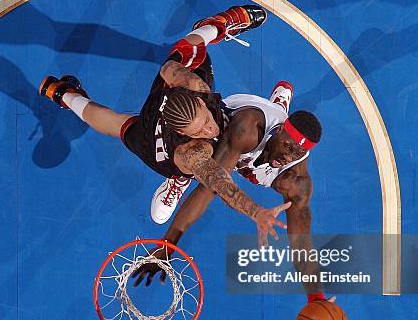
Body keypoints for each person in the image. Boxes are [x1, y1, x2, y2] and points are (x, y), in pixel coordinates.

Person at [39, 5, 291, 242]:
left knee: (188, 49)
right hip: (158, 148)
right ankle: (64, 94)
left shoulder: (193, 86)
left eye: (205, 121)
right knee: (116, 125)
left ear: (201, 102)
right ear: (184, 133)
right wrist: (256, 212)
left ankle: (219, 24)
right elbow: (219, 184)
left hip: (166, 99)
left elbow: (170, 65)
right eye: (201, 131)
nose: (210, 129)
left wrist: (188, 55)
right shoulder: (194, 151)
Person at [136, 82, 334, 304]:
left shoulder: (296, 180)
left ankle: (279, 107)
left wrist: (315, 295)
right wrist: (168, 245)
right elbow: (210, 188)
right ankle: (182, 177)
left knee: (276, 151)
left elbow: (301, 241)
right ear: (278, 131)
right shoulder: (247, 128)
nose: (289, 157)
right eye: (288, 147)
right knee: (201, 163)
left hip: (268, 139)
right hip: (223, 128)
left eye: (298, 153)